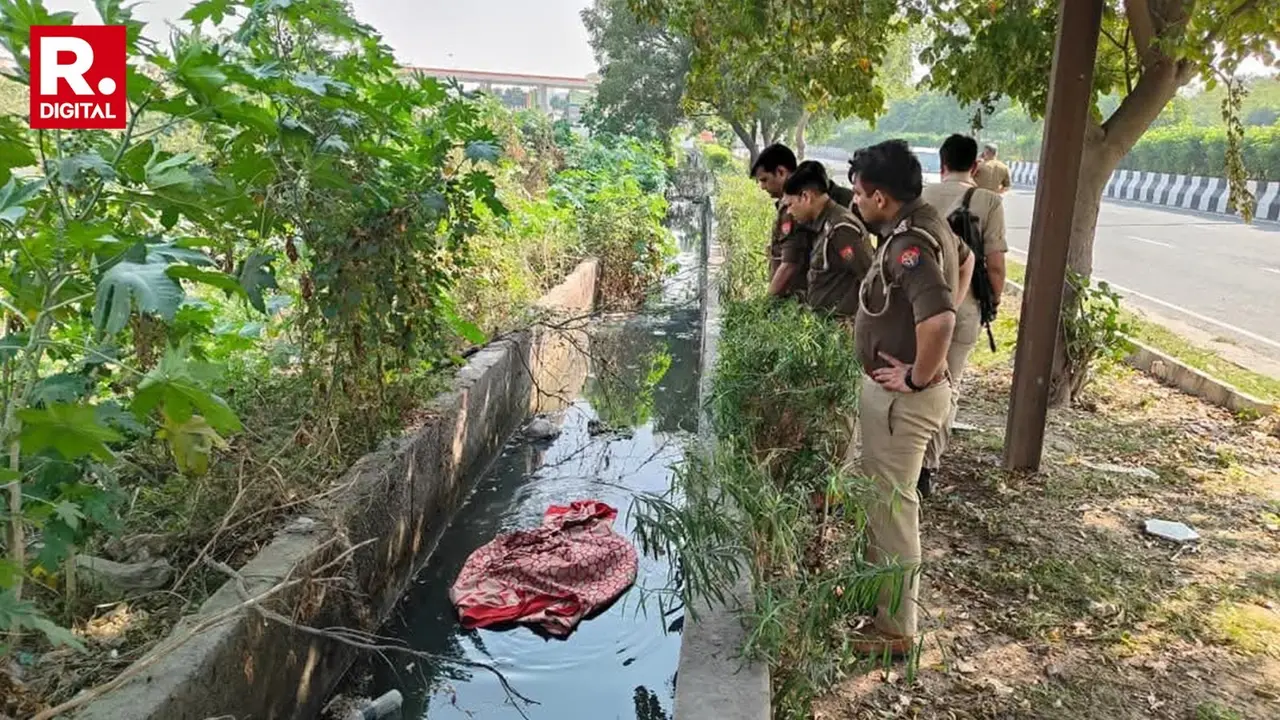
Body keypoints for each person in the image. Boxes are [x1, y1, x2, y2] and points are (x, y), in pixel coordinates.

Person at [847, 140, 959, 656]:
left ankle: (895, 631)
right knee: (882, 504)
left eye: (859, 194)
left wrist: (917, 375)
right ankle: (880, 605)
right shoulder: (926, 221)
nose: (855, 202)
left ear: (880, 198)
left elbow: (940, 318)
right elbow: (966, 262)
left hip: (904, 403)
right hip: (899, 398)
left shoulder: (908, 243)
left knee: (893, 512)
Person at [919, 134, 1008, 498]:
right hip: (964, 310)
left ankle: (909, 455)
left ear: (941, 164)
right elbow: (996, 266)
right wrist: (993, 303)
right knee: (948, 384)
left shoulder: (921, 197)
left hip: (920, 307)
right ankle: (928, 467)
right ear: (975, 166)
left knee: (917, 377)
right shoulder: (988, 201)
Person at [777, 161, 875, 314]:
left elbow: (870, 278)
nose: (788, 212)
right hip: (822, 320)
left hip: (839, 322)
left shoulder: (841, 229)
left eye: (790, 204)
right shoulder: (823, 224)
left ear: (806, 197)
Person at [752, 143, 815, 300]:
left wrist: (765, 304)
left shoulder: (793, 209)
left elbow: (789, 264)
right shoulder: (790, 203)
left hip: (795, 296)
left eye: (765, 180)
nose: (762, 187)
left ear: (781, 172)